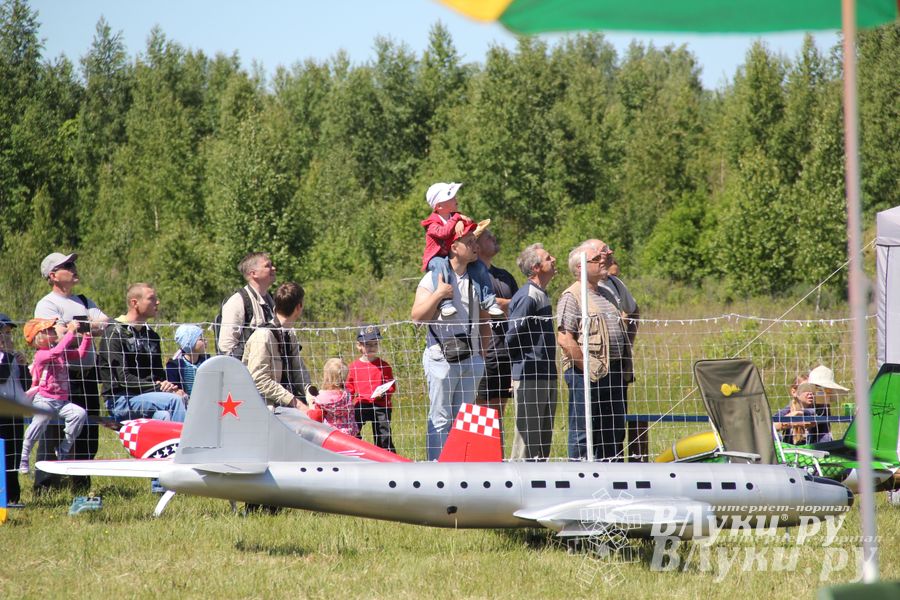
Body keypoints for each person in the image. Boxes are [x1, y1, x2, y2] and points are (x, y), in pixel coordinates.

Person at [412, 219, 489, 460]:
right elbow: (417, 317)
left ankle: (461, 467)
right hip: (440, 358)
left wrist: (482, 352)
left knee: (464, 418)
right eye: (470, 242)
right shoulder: (434, 278)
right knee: (441, 417)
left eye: (476, 241)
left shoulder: (477, 278)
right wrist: (439, 295)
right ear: (454, 247)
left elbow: (485, 318)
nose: (476, 246)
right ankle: (436, 469)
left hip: (471, 357)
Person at [33, 251, 109, 492]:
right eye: (67, 265)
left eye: (73, 263)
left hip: (87, 377)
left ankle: (81, 485)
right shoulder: (46, 304)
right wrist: (77, 329)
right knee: (54, 432)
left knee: (88, 433)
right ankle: (45, 486)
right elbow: (55, 335)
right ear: (53, 275)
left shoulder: (85, 301)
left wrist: (75, 328)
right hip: (60, 380)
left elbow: (104, 323)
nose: (74, 267)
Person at [557, 239, 630, 461]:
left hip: (613, 373)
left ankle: (611, 474)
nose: (603, 261)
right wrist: (587, 367)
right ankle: (580, 474)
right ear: (580, 267)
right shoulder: (572, 296)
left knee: (613, 431)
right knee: (584, 431)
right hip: (586, 375)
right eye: (596, 259)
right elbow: (564, 338)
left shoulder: (607, 293)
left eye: (603, 257)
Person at [97, 283, 188, 423]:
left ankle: (169, 445)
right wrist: (158, 387)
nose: (157, 302)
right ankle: (183, 445)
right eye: (151, 298)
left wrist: (169, 387)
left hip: (149, 396)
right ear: (135, 303)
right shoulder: (114, 333)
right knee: (175, 401)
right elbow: (123, 379)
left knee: (166, 415)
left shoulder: (152, 336)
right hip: (121, 399)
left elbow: (158, 374)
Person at [506, 243, 558, 461]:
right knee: (528, 439)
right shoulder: (528, 296)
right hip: (530, 376)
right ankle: (519, 481)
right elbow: (512, 336)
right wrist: (518, 368)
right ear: (536, 268)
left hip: (546, 373)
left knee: (543, 438)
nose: (554, 259)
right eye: (548, 258)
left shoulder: (541, 294)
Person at [420, 182, 503, 319]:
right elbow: (444, 233)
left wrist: (461, 220)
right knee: (441, 266)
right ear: (439, 206)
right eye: (451, 198)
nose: (455, 199)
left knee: (479, 266)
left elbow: (468, 227)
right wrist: (457, 219)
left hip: (450, 256)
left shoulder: (455, 216)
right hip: (436, 257)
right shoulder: (432, 224)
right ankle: (445, 303)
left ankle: (489, 301)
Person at [18, 318, 90, 473]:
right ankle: (24, 456)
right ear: (39, 337)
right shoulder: (41, 355)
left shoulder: (59, 351)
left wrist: (87, 337)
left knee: (79, 414)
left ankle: (64, 448)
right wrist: (70, 332)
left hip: (62, 401)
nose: (53, 332)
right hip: (44, 399)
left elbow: (80, 353)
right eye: (49, 330)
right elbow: (56, 351)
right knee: (40, 420)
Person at [242, 282, 314, 410]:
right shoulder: (263, 336)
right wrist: (296, 403)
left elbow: (298, 370)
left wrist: (310, 395)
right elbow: (259, 380)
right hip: (264, 408)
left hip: (287, 405)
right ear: (299, 307)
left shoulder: (290, 334)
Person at [475, 229, 519, 426]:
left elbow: (520, 309)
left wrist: (502, 303)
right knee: (478, 417)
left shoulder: (504, 275)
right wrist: (509, 304)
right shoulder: (472, 274)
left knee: (497, 418)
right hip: (482, 354)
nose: (494, 238)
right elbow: (480, 305)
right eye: (488, 237)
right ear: (475, 246)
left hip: (505, 354)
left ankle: (496, 457)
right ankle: (478, 457)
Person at [217, 252, 277, 359]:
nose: (273, 268)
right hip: (246, 371)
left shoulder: (271, 300)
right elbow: (226, 348)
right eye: (267, 265)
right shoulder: (237, 301)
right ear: (253, 273)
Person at [347, 326, 396, 452]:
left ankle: (387, 455)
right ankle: (356, 451)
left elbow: (391, 385)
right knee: (353, 429)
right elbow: (349, 388)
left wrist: (384, 393)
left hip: (380, 404)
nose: (372, 347)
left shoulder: (384, 366)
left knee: (383, 434)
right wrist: (348, 401)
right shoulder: (354, 367)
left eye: (375, 344)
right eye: (368, 344)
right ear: (359, 346)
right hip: (361, 403)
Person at [0, 313, 28, 505]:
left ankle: (13, 497)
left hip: (14, 414)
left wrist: (23, 366)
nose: (7, 338)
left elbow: (25, 385)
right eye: (3, 333)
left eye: (9, 333)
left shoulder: (13, 358)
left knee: (13, 455)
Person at [314, 358, 359, 436]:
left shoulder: (322, 397)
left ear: (327, 376)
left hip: (332, 433)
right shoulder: (346, 393)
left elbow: (316, 414)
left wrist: (311, 399)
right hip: (350, 431)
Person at [165, 324, 209, 396]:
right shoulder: (174, 366)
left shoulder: (207, 362)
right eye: (201, 339)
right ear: (189, 342)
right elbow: (173, 389)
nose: (206, 341)